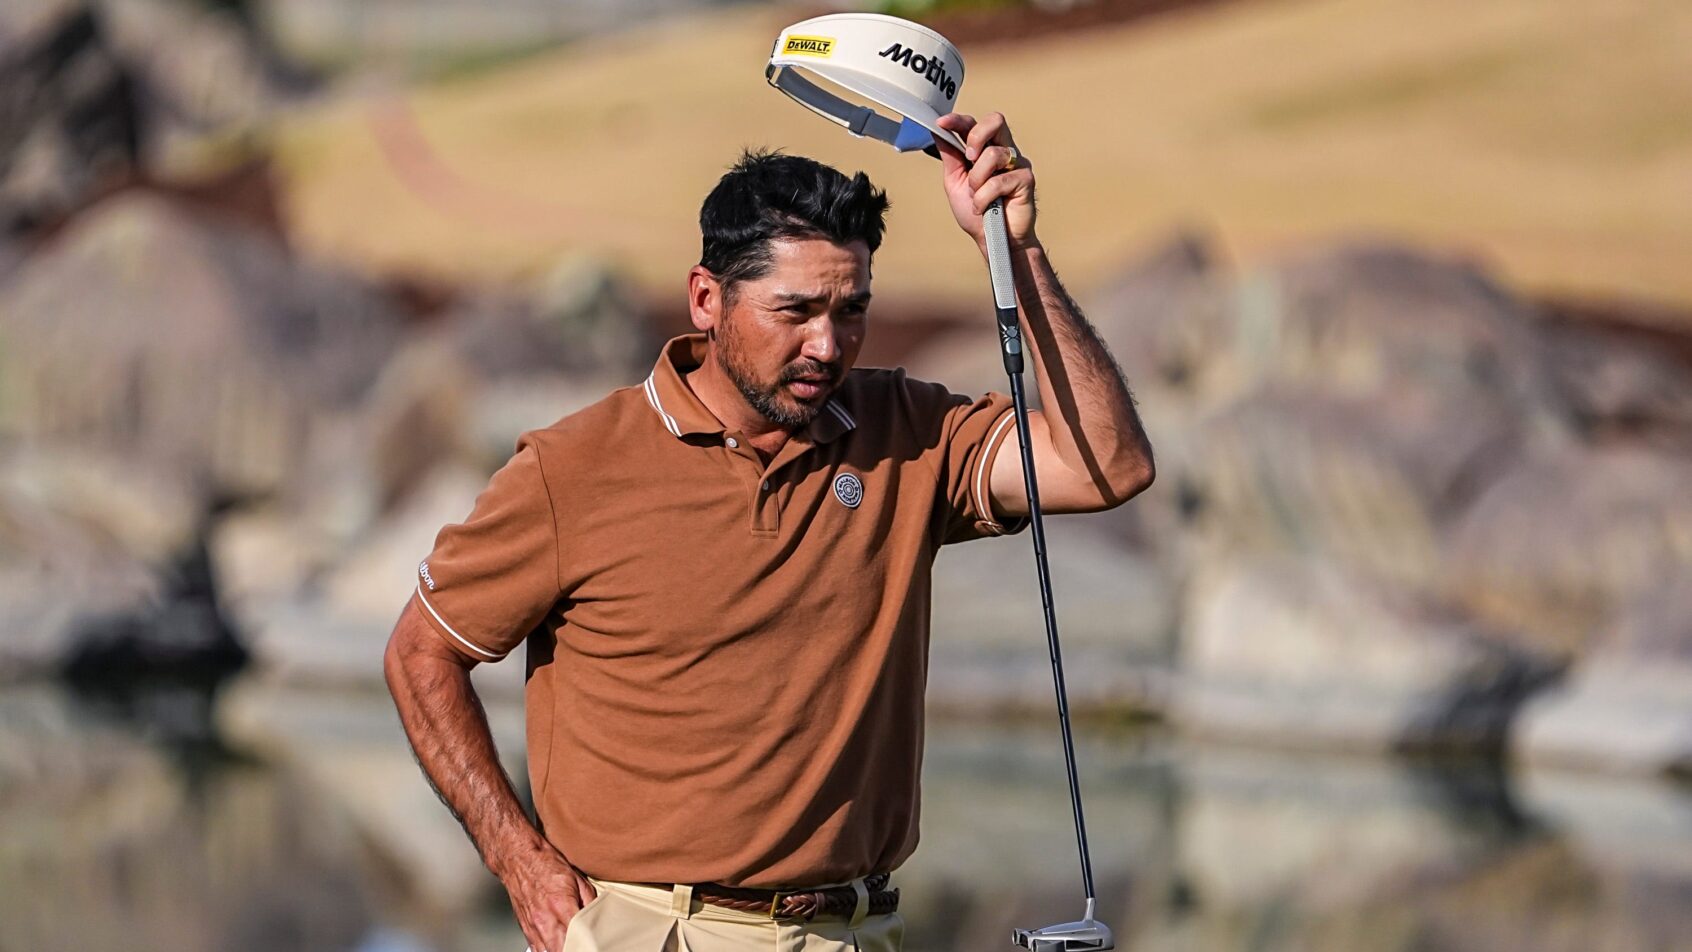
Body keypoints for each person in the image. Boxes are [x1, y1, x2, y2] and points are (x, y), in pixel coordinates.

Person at [383, 111, 1153, 952]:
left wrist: (1016, 252)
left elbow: (1104, 466)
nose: (828, 344)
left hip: (859, 931)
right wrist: (516, 857)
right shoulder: (574, 468)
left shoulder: (905, 428)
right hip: (653, 934)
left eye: (851, 308)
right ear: (707, 299)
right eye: (796, 310)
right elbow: (423, 653)